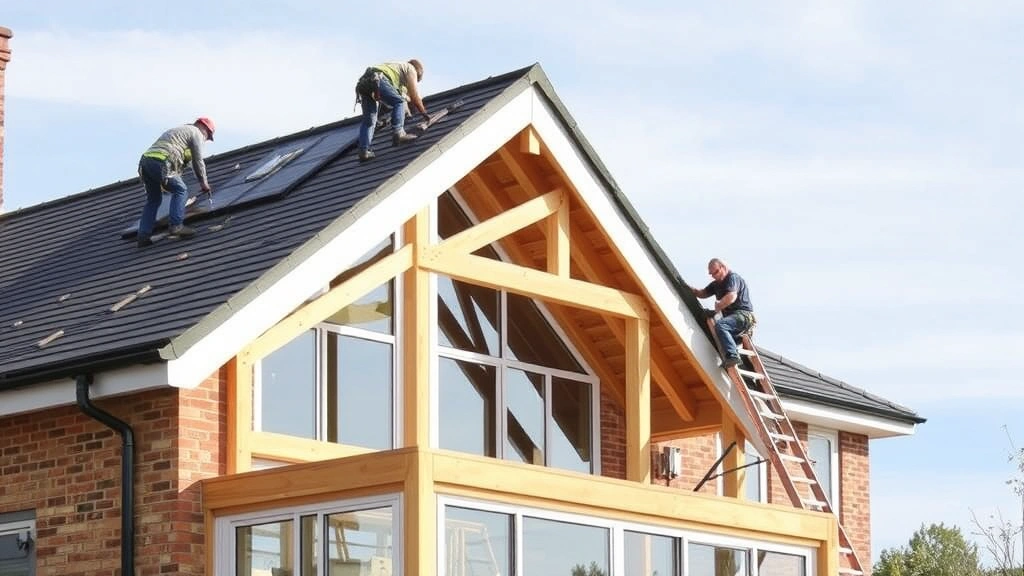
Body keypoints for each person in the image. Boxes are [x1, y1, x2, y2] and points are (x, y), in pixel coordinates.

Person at [136, 117, 215, 247]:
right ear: (204, 128)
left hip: (146, 163)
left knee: (154, 200)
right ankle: (176, 226)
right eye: (208, 135)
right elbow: (198, 161)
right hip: (162, 162)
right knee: (181, 190)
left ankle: (143, 235)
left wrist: (198, 178)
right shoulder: (196, 132)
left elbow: (190, 163)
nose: (206, 139)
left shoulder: (179, 132)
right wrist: (204, 183)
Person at [354, 59, 429, 162]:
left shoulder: (397, 72)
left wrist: (409, 113)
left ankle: (363, 151)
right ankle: (399, 133)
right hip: (378, 79)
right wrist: (424, 112)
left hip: (364, 82)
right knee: (399, 102)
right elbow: (414, 96)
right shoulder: (411, 69)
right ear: (417, 72)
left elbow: (407, 99)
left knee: (370, 121)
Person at [691, 258, 756, 368]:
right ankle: (736, 353)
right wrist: (688, 288)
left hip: (743, 316)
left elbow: (732, 296)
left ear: (723, 267)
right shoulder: (716, 285)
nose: (714, 276)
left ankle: (733, 356)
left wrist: (718, 306)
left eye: (716, 272)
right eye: (712, 274)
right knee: (722, 335)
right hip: (733, 321)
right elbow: (702, 293)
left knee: (721, 325)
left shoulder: (732, 278)